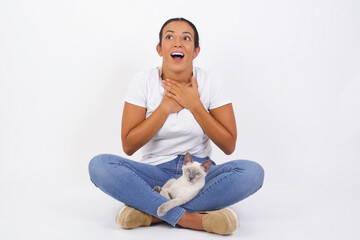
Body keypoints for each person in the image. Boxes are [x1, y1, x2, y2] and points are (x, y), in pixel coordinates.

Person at [89, 17, 264, 235]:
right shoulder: (142, 81)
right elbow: (128, 145)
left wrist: (194, 104)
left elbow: (229, 144)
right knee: (99, 165)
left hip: (198, 174)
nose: (177, 43)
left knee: (252, 172)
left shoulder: (211, 81)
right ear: (160, 49)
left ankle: (151, 212)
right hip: (154, 173)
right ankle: (191, 219)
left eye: (186, 38)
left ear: (196, 51)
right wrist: (164, 108)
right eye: (169, 37)